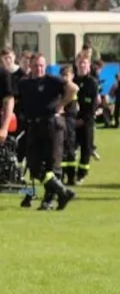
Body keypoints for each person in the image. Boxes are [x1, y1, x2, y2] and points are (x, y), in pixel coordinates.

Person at [16, 54, 76, 210]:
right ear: (31, 65)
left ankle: (49, 201)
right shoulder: (24, 83)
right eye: (36, 65)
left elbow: (73, 88)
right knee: (34, 164)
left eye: (42, 65)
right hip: (33, 125)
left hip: (51, 124)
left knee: (52, 163)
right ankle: (62, 192)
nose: (39, 68)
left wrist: (62, 104)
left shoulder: (52, 80)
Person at [66, 56, 99, 185]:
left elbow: (93, 105)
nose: (82, 65)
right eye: (80, 63)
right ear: (76, 64)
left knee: (86, 149)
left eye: (84, 63)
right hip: (71, 121)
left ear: (89, 65)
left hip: (86, 122)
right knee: (70, 148)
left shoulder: (92, 82)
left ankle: (81, 174)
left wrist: (84, 120)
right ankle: (69, 174)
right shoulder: (71, 80)